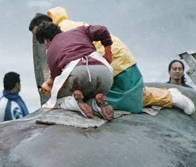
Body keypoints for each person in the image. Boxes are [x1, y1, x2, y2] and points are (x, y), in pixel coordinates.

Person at [29, 8, 177, 112]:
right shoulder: (73, 25)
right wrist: (108, 52)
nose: (39, 42)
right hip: (112, 62)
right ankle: (95, 101)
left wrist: (49, 88)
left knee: (132, 100)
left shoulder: (56, 38)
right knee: (125, 94)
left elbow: (56, 73)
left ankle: (172, 98)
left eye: (39, 37)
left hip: (114, 63)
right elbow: (101, 30)